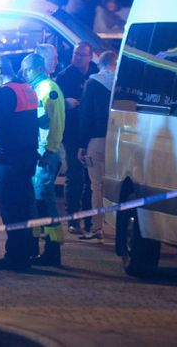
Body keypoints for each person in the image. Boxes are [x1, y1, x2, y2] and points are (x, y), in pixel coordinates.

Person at [0, 56, 39, 270]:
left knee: (11, 208)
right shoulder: (26, 88)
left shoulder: (5, 92)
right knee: (24, 206)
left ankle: (14, 257)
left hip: (10, 157)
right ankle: (24, 252)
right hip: (27, 155)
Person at [20, 53, 66, 267]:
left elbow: (55, 124)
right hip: (39, 152)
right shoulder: (39, 89)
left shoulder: (48, 89)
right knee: (37, 200)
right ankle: (36, 246)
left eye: (26, 70)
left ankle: (53, 248)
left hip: (46, 153)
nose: (24, 74)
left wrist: (50, 150)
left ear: (37, 68)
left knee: (44, 199)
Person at [54, 41, 98, 236]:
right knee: (74, 176)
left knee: (92, 178)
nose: (77, 58)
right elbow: (57, 104)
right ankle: (72, 218)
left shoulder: (95, 73)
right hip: (72, 132)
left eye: (82, 54)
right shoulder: (64, 77)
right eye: (75, 54)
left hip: (91, 132)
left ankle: (89, 218)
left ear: (90, 56)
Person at [77, 51, 117, 241]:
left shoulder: (92, 83)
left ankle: (97, 227)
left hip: (97, 141)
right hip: (119, 141)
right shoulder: (122, 83)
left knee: (97, 186)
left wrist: (82, 145)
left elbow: (85, 116)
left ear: (100, 64)